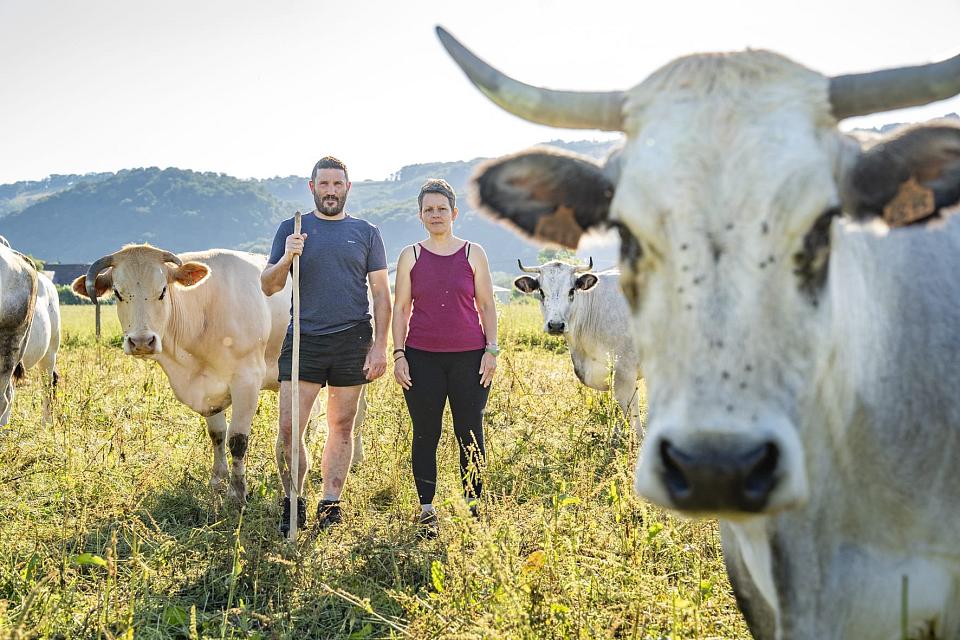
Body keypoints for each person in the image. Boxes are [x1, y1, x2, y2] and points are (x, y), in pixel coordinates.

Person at [261, 156, 390, 535]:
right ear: (312, 187)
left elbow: (381, 293)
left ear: (348, 188)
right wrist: (288, 254)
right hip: (304, 338)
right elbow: (269, 285)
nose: (330, 191)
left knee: (342, 424)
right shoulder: (293, 228)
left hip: (352, 337)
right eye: (324, 184)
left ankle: (330, 504)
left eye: (337, 184)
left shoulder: (366, 232)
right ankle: (293, 502)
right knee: (288, 427)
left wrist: (380, 345)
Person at [392, 178, 498, 539]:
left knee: (470, 432)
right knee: (426, 434)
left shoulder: (473, 253)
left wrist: (491, 350)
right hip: (421, 359)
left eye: (441, 209)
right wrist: (399, 355)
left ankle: (474, 508)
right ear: (420, 215)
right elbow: (401, 308)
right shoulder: (411, 255)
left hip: (470, 358)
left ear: (454, 213)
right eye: (428, 210)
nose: (435, 215)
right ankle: (426, 510)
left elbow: (486, 304)